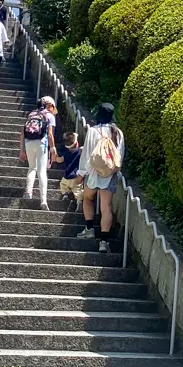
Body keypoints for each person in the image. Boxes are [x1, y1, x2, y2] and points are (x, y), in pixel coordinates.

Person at [79, 102, 125, 253]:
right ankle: (104, 242)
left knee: (87, 198)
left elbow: (87, 153)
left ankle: (89, 229)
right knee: (106, 207)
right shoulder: (117, 132)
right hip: (110, 174)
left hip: (93, 172)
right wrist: (114, 170)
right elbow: (120, 155)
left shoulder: (93, 131)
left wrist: (81, 172)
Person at [20, 95, 57, 209]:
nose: (52, 109)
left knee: (32, 168)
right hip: (41, 143)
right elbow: (50, 134)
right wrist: (53, 148)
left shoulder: (31, 114)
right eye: (52, 106)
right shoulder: (49, 116)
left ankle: (28, 192)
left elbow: (22, 133)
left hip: (29, 142)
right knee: (42, 171)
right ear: (49, 105)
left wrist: (22, 150)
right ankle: (43, 200)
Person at [55, 130, 84, 211]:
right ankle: (79, 202)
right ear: (76, 143)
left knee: (62, 185)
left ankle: (65, 194)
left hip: (67, 176)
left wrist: (56, 157)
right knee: (78, 190)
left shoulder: (65, 154)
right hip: (76, 176)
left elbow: (59, 160)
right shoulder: (80, 152)